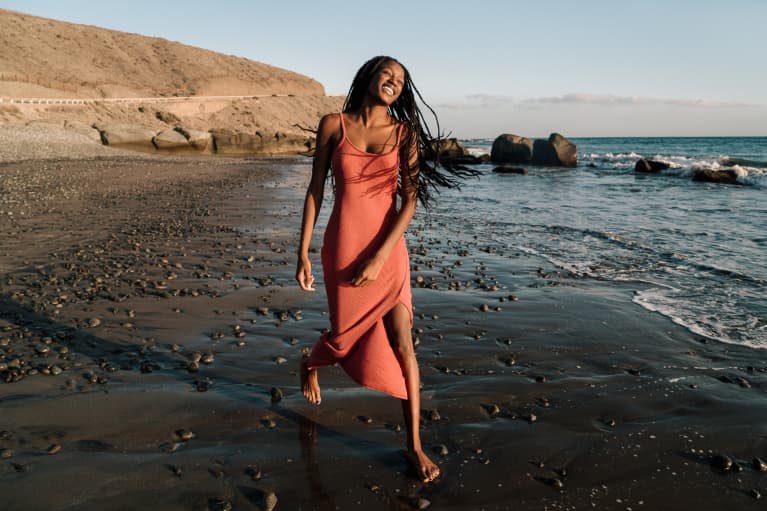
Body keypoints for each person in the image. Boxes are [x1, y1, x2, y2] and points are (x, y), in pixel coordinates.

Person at [296, 56, 470, 484]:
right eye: (387, 75)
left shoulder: (404, 133)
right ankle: (311, 362)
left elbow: (408, 200)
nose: (393, 83)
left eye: (400, 81)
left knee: (402, 343)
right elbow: (316, 188)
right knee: (343, 336)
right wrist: (301, 251)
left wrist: (380, 256)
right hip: (342, 247)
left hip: (388, 251)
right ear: (369, 77)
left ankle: (413, 445)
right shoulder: (333, 124)